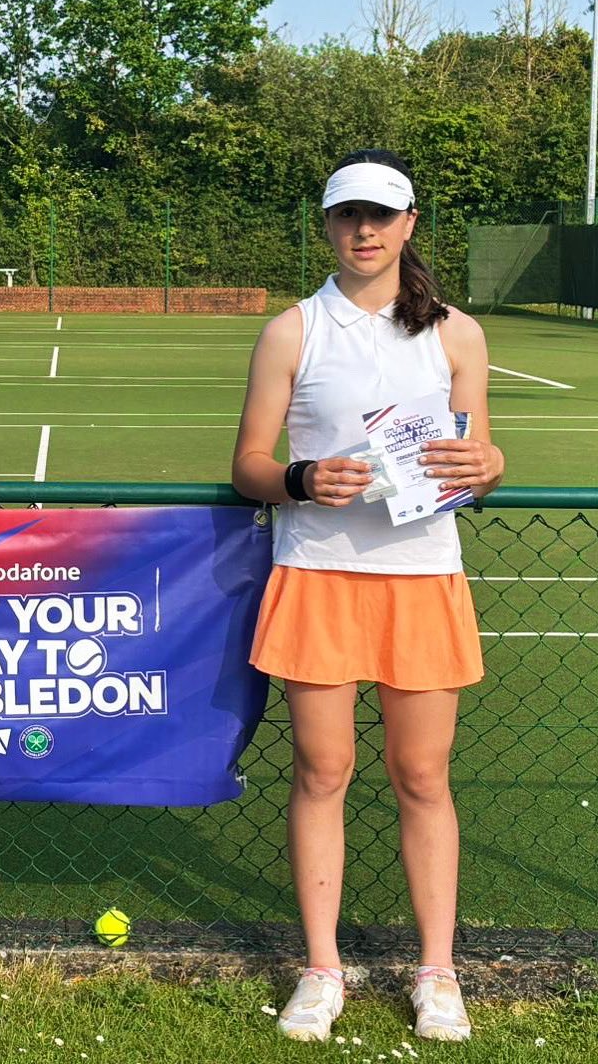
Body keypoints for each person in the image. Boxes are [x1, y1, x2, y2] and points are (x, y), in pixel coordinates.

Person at [231, 149, 504, 1043]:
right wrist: (305, 478)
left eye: (381, 215)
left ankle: (437, 973)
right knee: (323, 773)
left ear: (410, 224)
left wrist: (490, 465)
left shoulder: (457, 333)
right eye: (349, 215)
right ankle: (321, 971)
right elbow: (250, 469)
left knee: (423, 777)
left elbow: (476, 461)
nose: (364, 230)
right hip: (317, 575)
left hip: (422, 577)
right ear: (327, 224)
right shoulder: (292, 331)